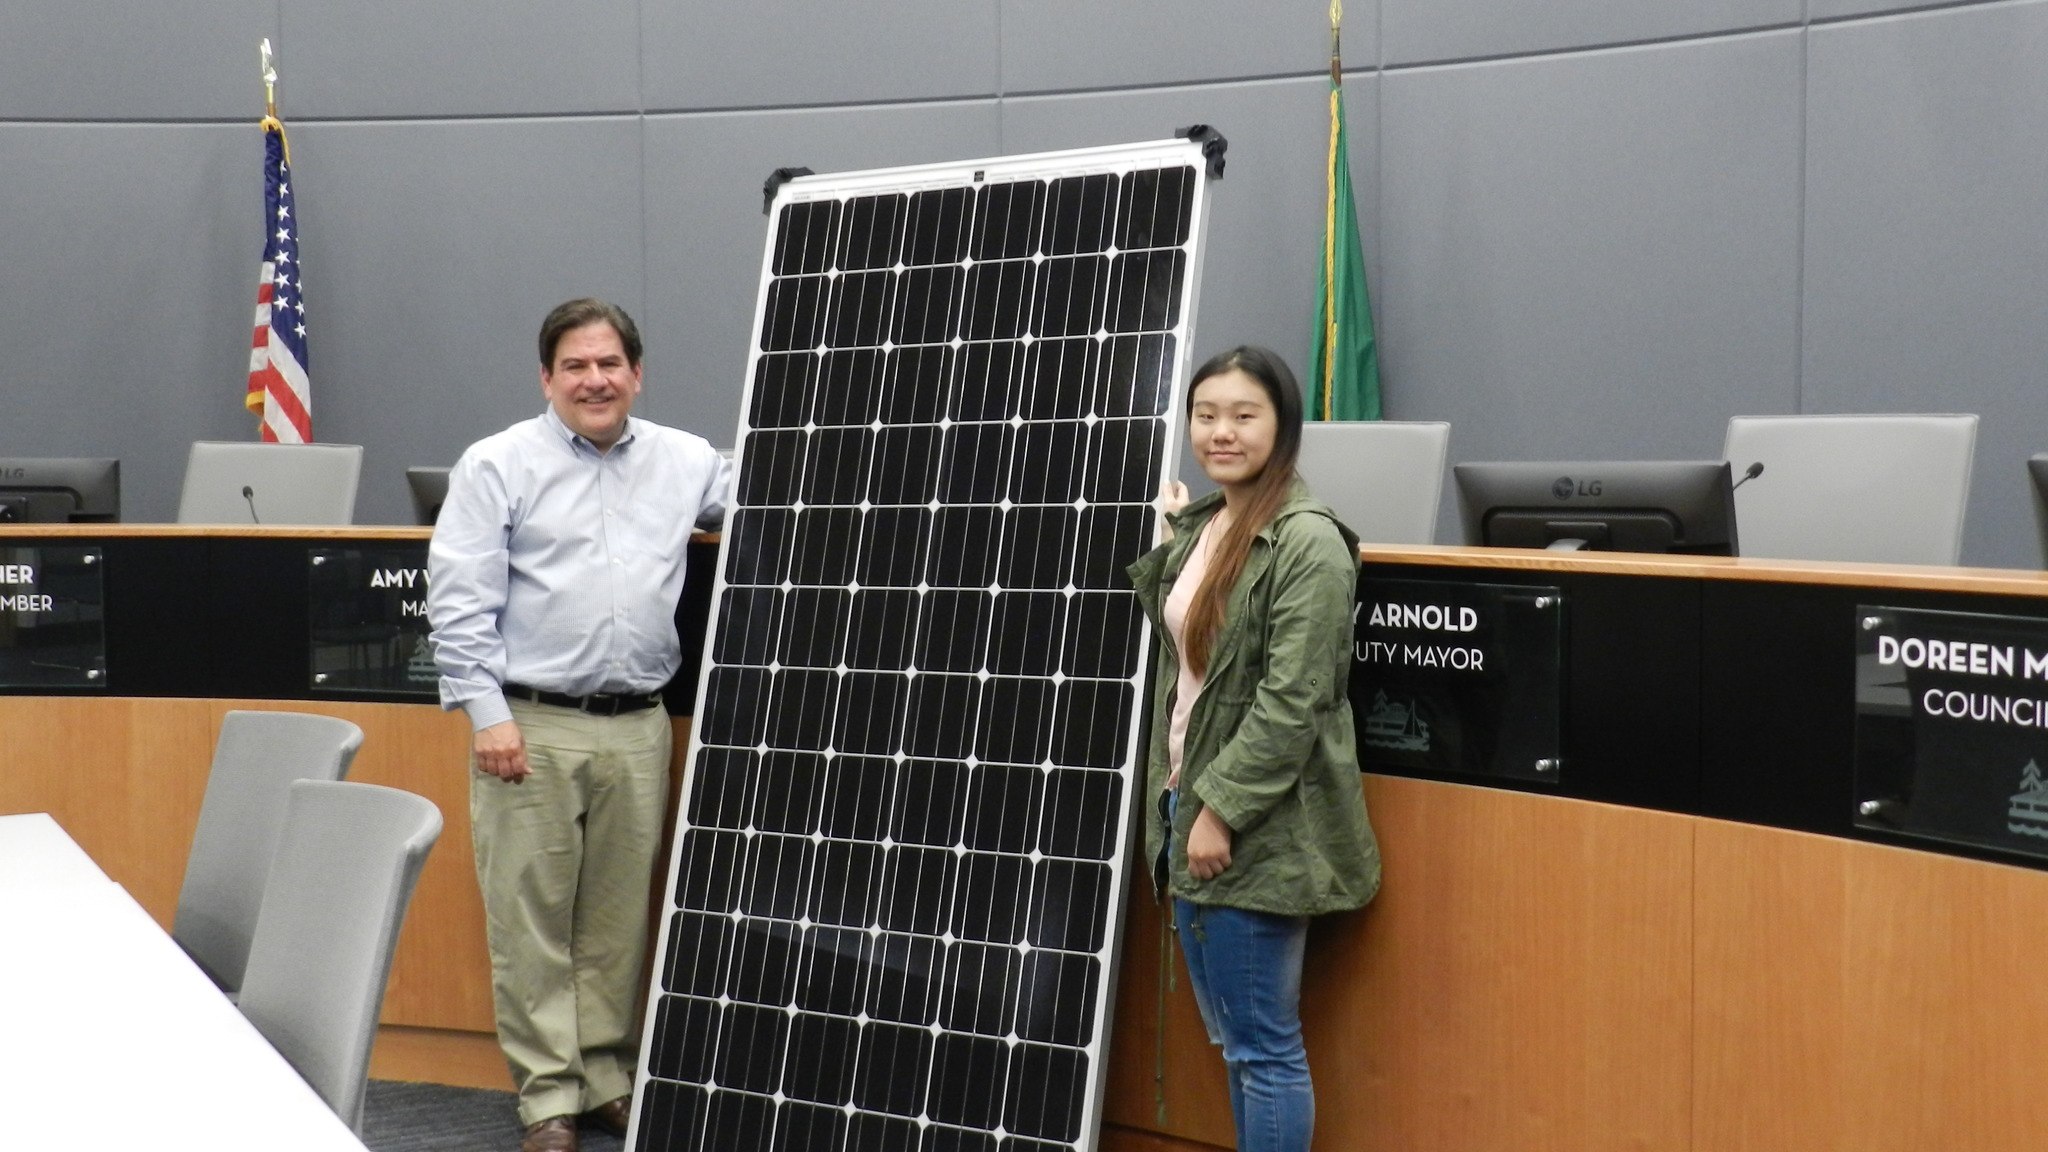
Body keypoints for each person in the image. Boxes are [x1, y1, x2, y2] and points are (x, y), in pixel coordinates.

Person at [428, 298, 729, 1152]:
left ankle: (604, 1077)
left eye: (609, 365)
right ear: (546, 378)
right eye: (575, 367)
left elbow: (778, 488)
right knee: (531, 917)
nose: (594, 380)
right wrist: (486, 715)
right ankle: (548, 1097)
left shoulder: (687, 461)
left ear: (636, 373)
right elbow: (458, 604)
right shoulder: (496, 465)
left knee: (615, 919)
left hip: (639, 728)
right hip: (529, 723)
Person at [1126, 345, 1381, 1152]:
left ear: (1285, 425)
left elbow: (1292, 701)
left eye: (1244, 415)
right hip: (1186, 804)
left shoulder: (1309, 542)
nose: (1221, 432)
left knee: (1262, 1048)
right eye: (1206, 416)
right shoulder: (1210, 522)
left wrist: (1219, 813)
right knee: (1236, 1042)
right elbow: (1196, 658)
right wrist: (1173, 538)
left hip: (1256, 829)